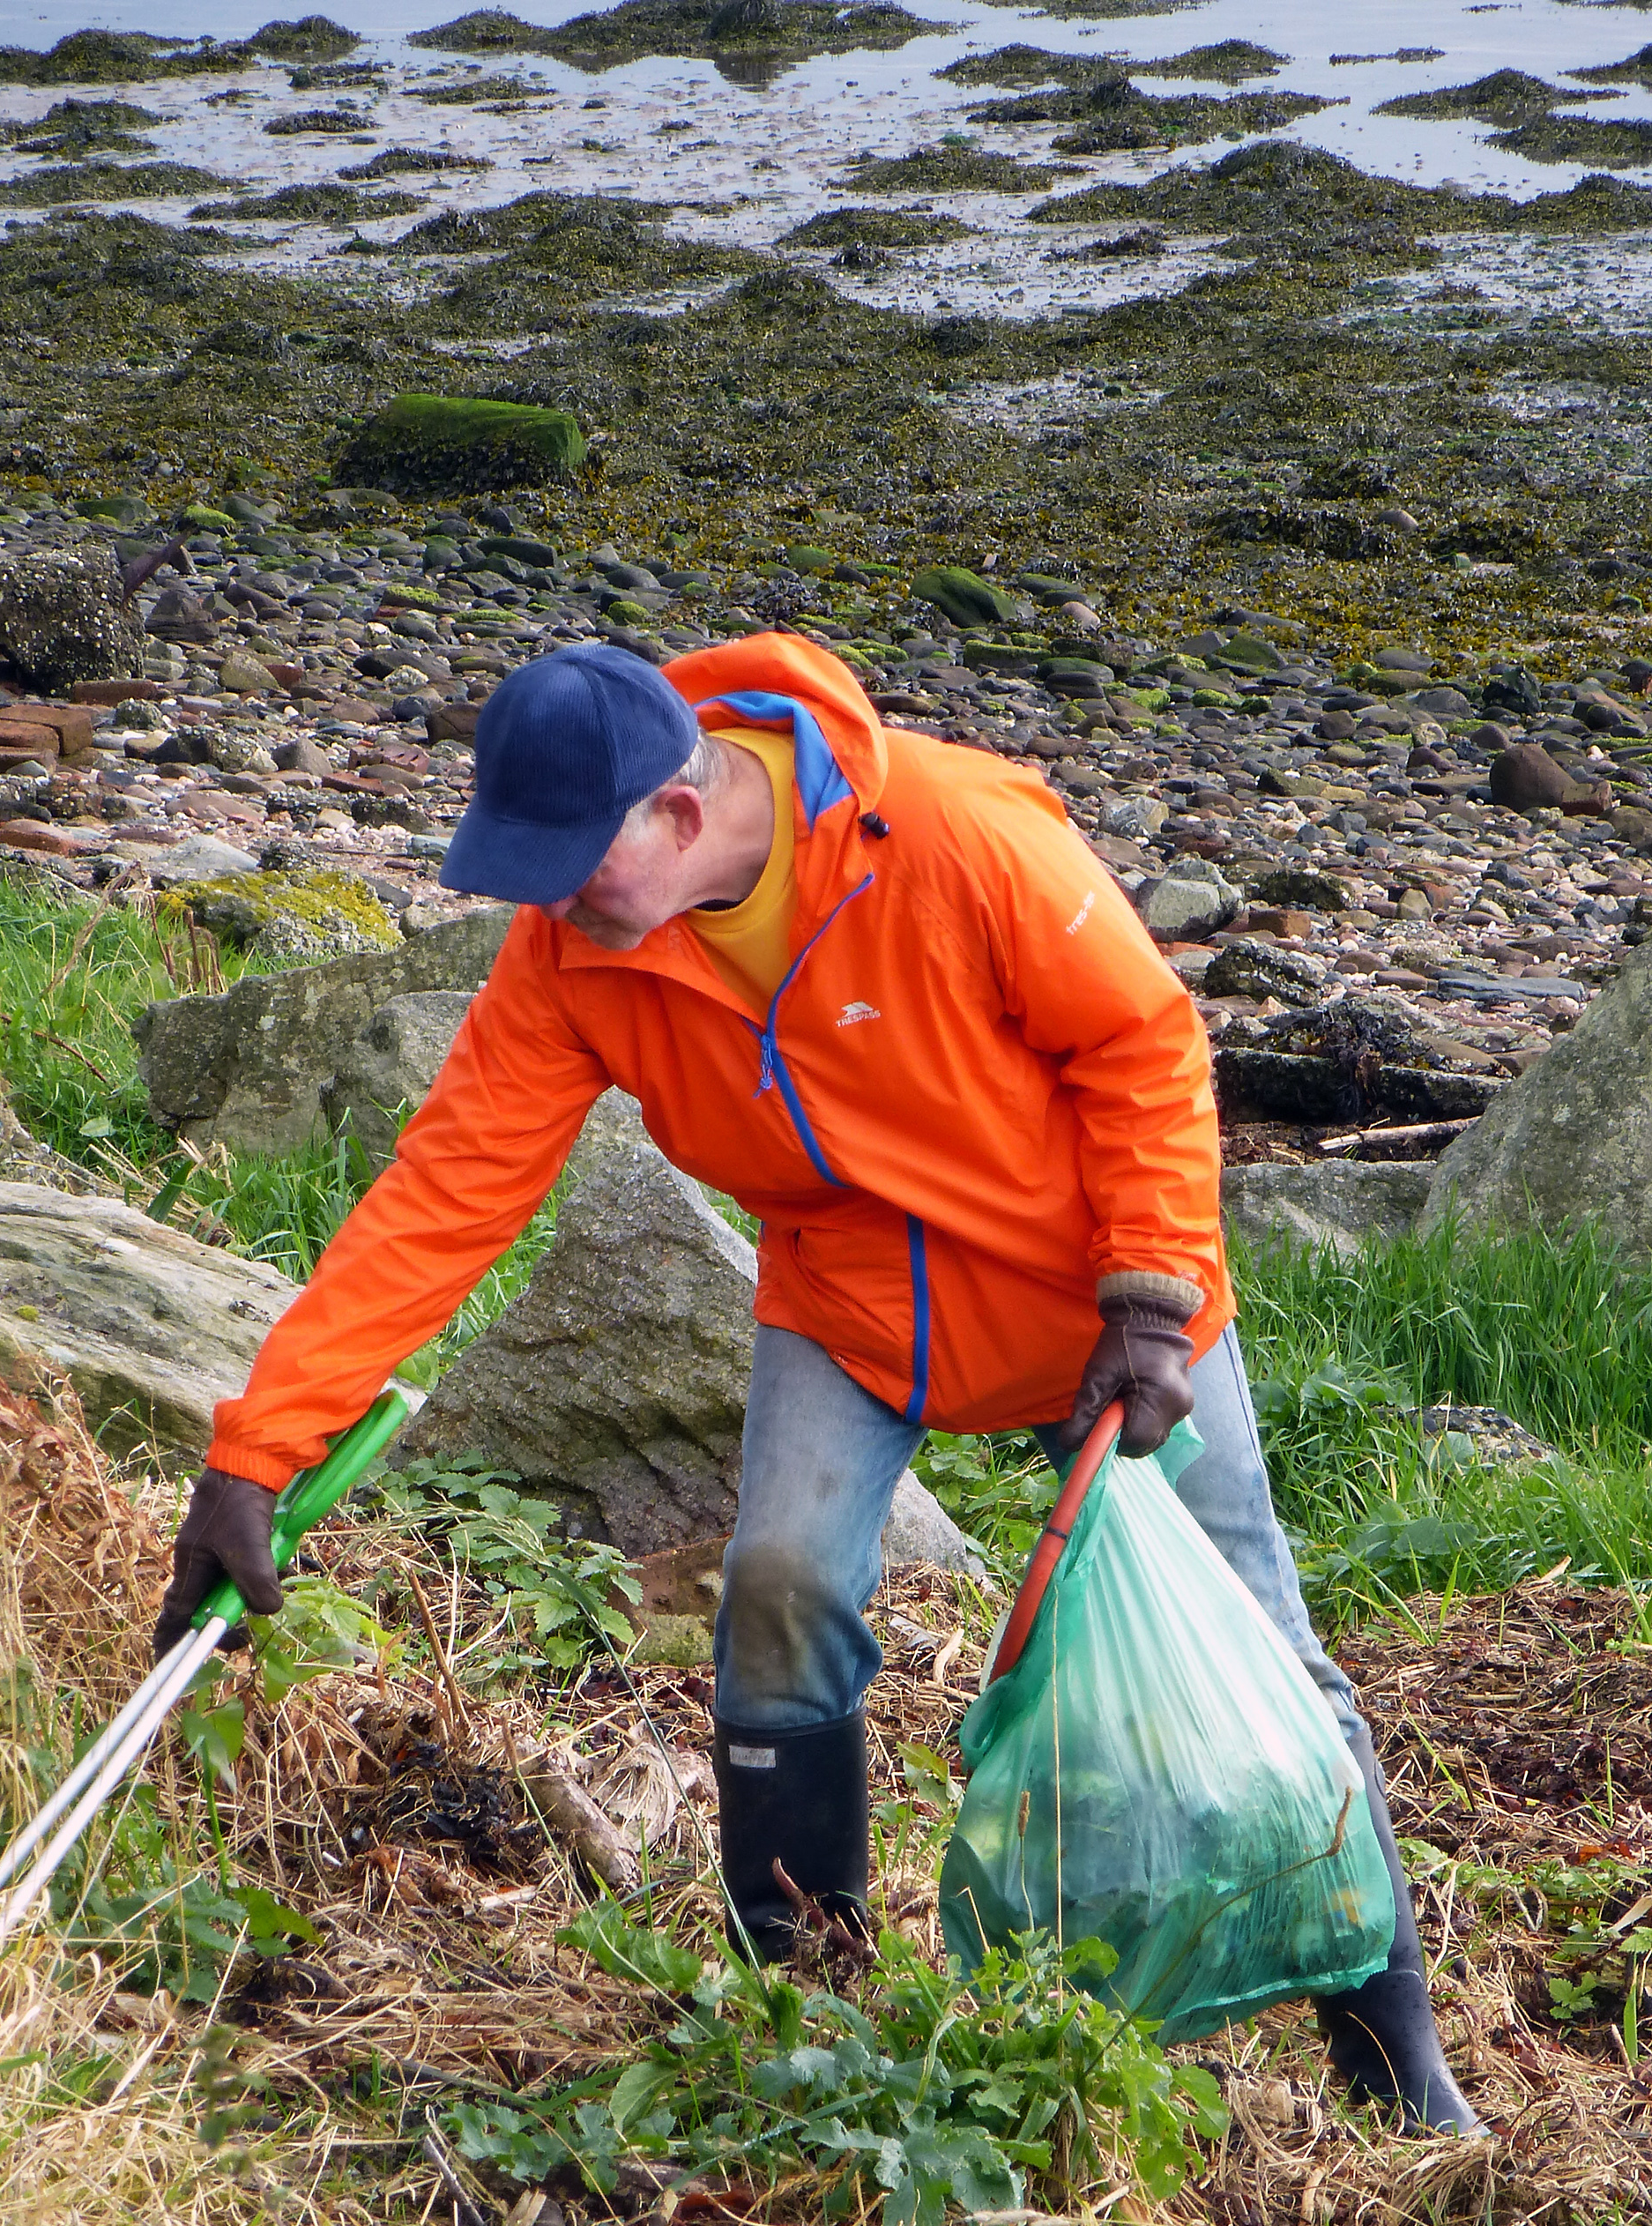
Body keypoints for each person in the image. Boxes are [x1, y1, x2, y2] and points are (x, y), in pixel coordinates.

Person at [155, 633, 1479, 2136]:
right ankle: (804, 2016)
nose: (550, 905)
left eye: (572, 865)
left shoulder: (952, 834)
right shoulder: (579, 951)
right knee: (776, 1586)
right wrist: (260, 1450)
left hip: (1104, 1310)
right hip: (851, 1308)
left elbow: (1144, 1041)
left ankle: (1398, 2065)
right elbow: (447, 1192)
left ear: (674, 807)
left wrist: (1153, 1296)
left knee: (1267, 1665)